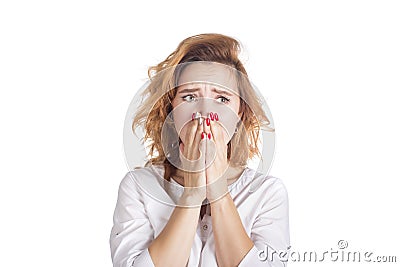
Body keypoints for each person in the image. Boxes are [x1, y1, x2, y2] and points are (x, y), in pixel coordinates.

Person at [110, 33, 290, 267]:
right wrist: (193, 194)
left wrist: (218, 191)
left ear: (240, 114)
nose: (205, 111)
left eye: (222, 99)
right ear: (170, 112)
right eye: (190, 96)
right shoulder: (138, 187)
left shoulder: (268, 193)